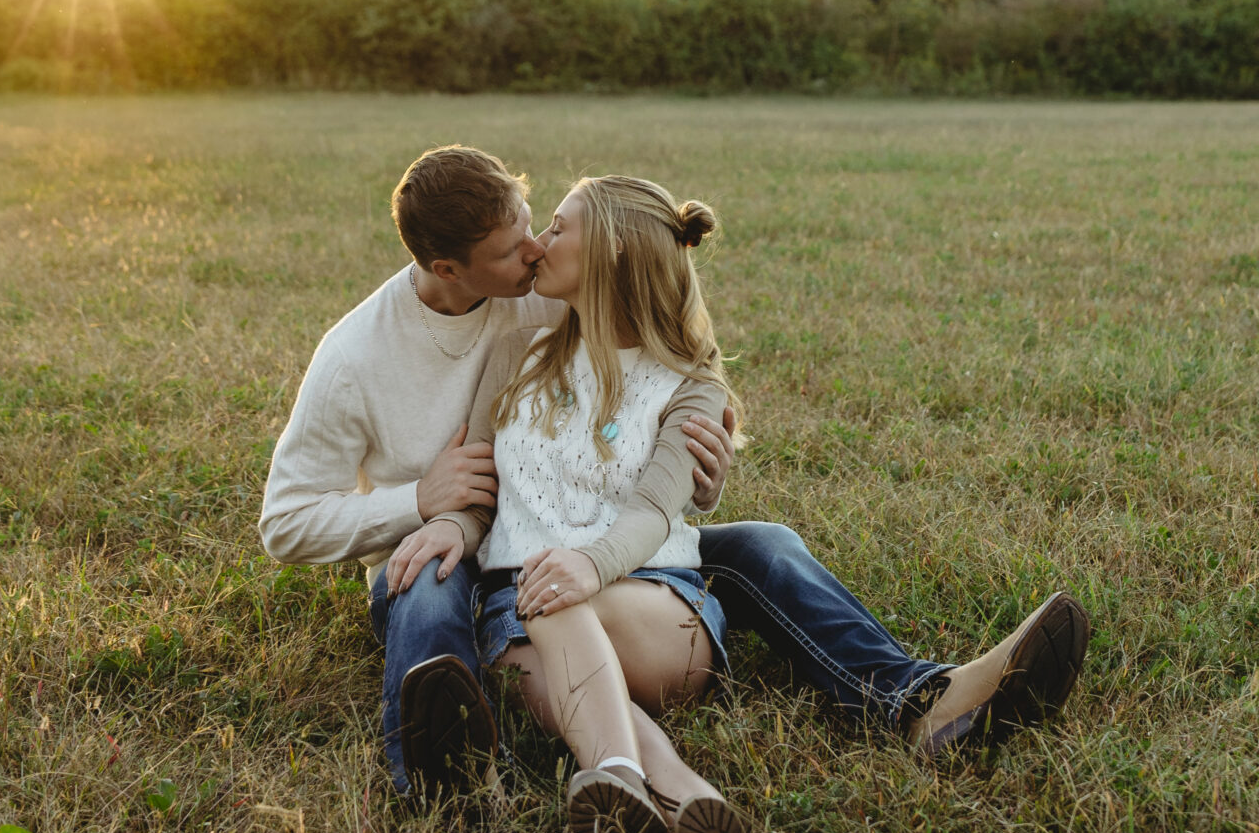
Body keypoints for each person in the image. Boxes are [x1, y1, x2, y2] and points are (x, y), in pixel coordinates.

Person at [259, 146, 1088, 799]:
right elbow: (285, 523)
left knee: (758, 543)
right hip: (457, 551)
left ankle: (914, 700)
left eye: (537, 226)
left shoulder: (538, 289)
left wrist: (697, 459)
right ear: (449, 269)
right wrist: (423, 504)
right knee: (434, 585)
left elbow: (654, 327)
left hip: (582, 540)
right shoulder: (356, 356)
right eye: (516, 248)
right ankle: (444, 759)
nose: (537, 249)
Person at [385, 176, 749, 833]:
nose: (537, 244)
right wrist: (454, 529)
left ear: (610, 249)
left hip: (654, 609)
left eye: (556, 227)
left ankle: (611, 774)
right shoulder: (516, 356)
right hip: (528, 622)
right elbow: (481, 482)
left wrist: (587, 564)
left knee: (551, 581)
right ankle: (685, 797)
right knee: (549, 603)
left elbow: (651, 510)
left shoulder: (692, 383)